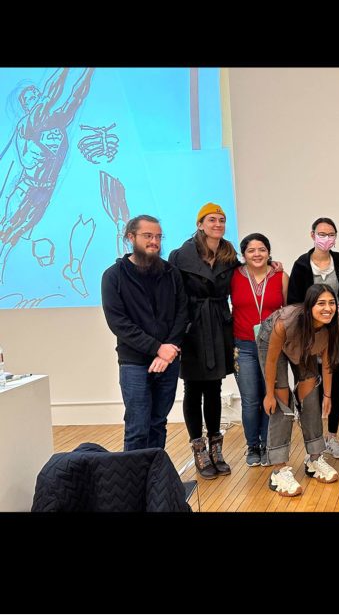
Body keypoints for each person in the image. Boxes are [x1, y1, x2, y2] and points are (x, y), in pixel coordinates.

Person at [101, 215, 188, 451]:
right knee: (137, 427)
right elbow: (118, 322)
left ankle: (154, 481)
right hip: (134, 362)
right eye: (148, 236)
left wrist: (168, 350)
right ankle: (133, 485)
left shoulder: (171, 272)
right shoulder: (113, 276)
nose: (154, 241)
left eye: (158, 237)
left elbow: (182, 313)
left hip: (169, 359)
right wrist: (157, 348)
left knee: (158, 424)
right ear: (131, 237)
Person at [0, 67, 95, 283]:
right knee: (6, 229)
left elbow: (76, 96)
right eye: (29, 97)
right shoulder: (29, 123)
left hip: (45, 190)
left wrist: (89, 72)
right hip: (27, 188)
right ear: (24, 106)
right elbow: (51, 95)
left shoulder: (58, 120)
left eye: (35, 93)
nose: (35, 98)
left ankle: (2, 265)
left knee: (19, 230)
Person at [168, 202, 239, 480]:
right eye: (212, 219)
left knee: (215, 386)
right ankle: (198, 447)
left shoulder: (229, 254)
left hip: (219, 324)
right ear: (200, 224)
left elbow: (247, 273)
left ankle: (216, 447)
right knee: (193, 388)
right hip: (192, 327)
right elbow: (172, 293)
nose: (218, 224)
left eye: (222, 220)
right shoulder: (180, 255)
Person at [256, 284, 339, 497]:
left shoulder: (336, 323)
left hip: (305, 344)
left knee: (311, 395)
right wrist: (269, 393)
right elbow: (271, 361)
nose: (328, 308)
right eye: (321, 303)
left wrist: (328, 395)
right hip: (273, 344)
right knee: (282, 400)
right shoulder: (285, 323)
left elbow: (327, 362)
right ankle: (278, 469)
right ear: (309, 306)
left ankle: (314, 459)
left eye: (331, 303)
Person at [286, 217, 339, 460]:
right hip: (308, 333)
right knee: (309, 387)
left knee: (335, 384)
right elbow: (293, 301)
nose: (326, 238)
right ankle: (313, 443)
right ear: (312, 235)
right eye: (321, 233)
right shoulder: (301, 265)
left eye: (330, 234)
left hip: (335, 332)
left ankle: (332, 437)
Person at [230, 232, 288, 467]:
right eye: (251, 250)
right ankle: (253, 446)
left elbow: (289, 309)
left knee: (270, 395)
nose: (257, 254)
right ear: (243, 254)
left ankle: (269, 444)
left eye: (262, 249)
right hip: (243, 345)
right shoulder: (233, 275)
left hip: (273, 346)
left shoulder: (280, 275)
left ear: (268, 252)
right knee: (250, 399)